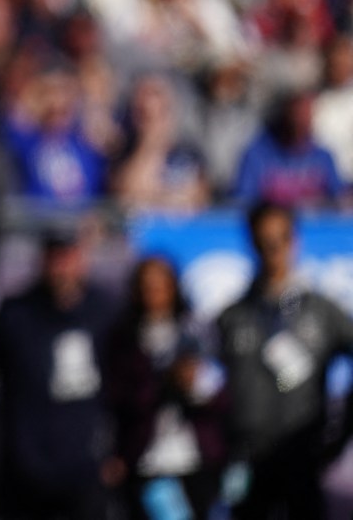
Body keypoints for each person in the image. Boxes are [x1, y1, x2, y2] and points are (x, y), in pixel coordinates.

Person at [0, 226, 119, 520]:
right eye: (54, 258)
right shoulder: (16, 313)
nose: (61, 267)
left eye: (68, 257)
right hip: (25, 468)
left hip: (86, 465)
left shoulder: (105, 312)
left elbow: (124, 384)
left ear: (81, 259)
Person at [216, 200, 353, 519]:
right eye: (264, 242)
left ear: (295, 241)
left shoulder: (322, 312)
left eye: (280, 240)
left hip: (303, 454)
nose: (273, 250)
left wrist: (342, 430)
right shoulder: (233, 316)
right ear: (251, 243)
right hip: (248, 458)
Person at [105, 255, 228, 520]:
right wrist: (161, 381)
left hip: (194, 458)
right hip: (147, 458)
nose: (154, 294)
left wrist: (195, 384)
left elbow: (221, 394)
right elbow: (117, 399)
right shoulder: (126, 338)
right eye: (147, 287)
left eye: (161, 286)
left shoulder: (197, 332)